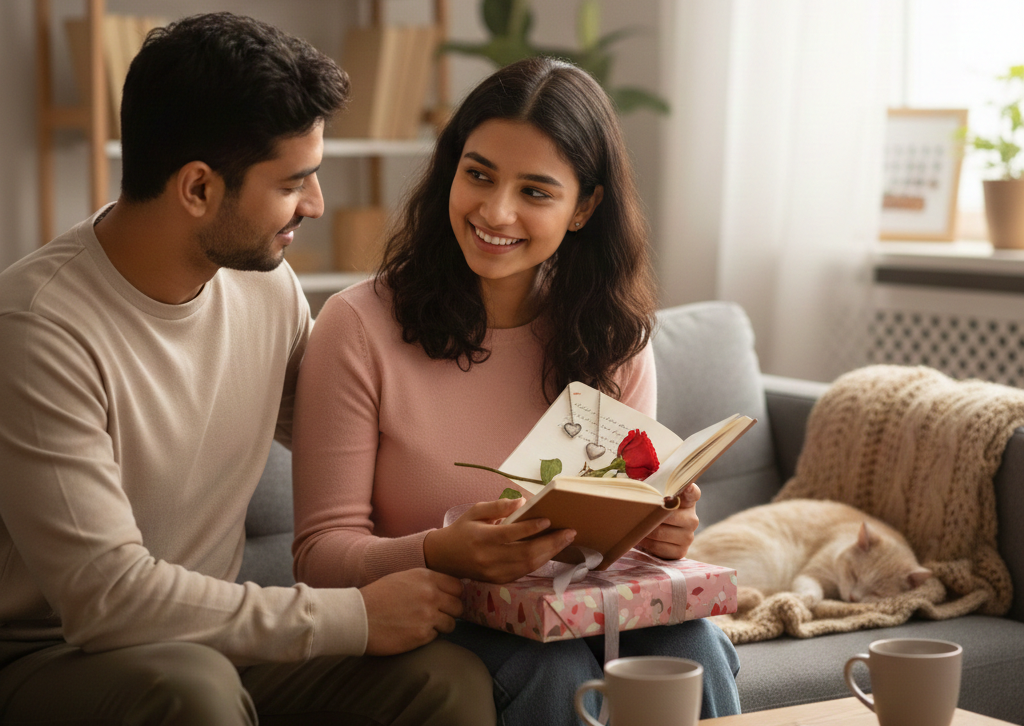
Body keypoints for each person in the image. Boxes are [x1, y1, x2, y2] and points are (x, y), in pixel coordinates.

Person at [0, 13, 495, 726]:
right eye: (296, 182)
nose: (317, 205)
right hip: (51, 658)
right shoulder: (38, 329)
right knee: (192, 690)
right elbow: (104, 597)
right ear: (197, 188)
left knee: (442, 678)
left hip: (213, 645)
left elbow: (371, 436)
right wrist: (352, 617)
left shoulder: (265, 286)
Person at [291, 56, 742, 725]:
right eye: (478, 175)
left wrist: (654, 532)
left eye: (535, 191)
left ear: (585, 206)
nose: (495, 211)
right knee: (546, 667)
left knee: (693, 642)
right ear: (452, 171)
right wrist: (437, 551)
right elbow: (318, 558)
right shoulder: (358, 326)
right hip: (430, 618)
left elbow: (602, 548)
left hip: (569, 608)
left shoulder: (614, 337)